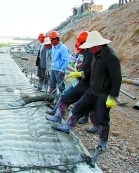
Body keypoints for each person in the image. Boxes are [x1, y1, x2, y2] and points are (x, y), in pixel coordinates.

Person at [52, 31, 122, 166]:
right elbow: (91, 72)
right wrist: (81, 73)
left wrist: (113, 96)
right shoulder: (95, 54)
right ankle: (67, 125)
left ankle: (102, 143)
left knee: (102, 118)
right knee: (79, 107)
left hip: (103, 93)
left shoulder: (110, 57)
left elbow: (117, 78)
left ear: (98, 45)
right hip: (92, 90)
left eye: (91, 46)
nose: (89, 49)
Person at [46, 31, 97, 132]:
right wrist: (79, 68)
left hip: (87, 84)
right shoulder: (88, 52)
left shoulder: (92, 53)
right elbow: (86, 67)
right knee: (68, 98)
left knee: (81, 105)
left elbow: (91, 70)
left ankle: (68, 125)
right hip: (82, 81)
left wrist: (80, 73)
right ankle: (60, 118)